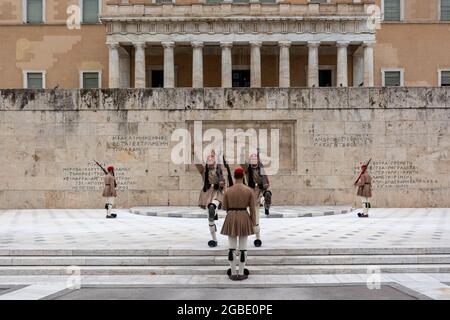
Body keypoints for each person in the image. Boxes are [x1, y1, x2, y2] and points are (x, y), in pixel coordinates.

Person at [221, 167, 256, 281]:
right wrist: (254, 223)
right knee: (243, 248)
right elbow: (253, 209)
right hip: (244, 217)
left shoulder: (228, 190)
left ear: (234, 177)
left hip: (231, 217)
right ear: (243, 177)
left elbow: (224, 207)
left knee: (231, 248)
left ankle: (232, 272)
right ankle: (241, 272)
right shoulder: (249, 190)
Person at [196, 151, 227, 247]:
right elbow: (197, 164)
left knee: (212, 206)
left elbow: (223, 180)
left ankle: (214, 209)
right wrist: (193, 153)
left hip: (217, 193)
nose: (210, 159)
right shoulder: (204, 171)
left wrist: (222, 184)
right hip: (207, 194)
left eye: (212, 158)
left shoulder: (219, 170)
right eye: (208, 158)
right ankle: (214, 239)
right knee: (210, 219)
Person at [242, 152, 272, 247]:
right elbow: (242, 163)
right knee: (249, 219)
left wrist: (265, 185)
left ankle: (258, 238)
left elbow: (266, 182)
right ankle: (265, 204)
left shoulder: (261, 169)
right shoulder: (248, 169)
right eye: (252, 158)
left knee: (256, 219)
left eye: (255, 158)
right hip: (249, 194)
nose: (254, 160)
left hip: (259, 192)